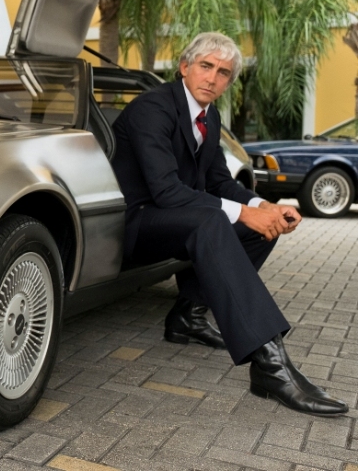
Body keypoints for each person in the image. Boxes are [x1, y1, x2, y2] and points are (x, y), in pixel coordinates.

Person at [111, 32, 348, 416]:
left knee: (259, 226)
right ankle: (270, 364)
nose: (212, 78)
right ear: (184, 67)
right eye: (205, 66)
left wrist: (264, 207)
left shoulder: (210, 115)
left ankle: (188, 316)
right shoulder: (153, 108)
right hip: (133, 223)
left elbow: (220, 181)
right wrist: (243, 212)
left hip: (177, 219)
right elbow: (166, 191)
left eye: (223, 73)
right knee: (213, 219)